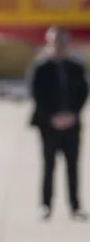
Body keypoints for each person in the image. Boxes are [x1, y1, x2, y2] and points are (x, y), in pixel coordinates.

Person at [28, 25, 88, 221]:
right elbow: (37, 96)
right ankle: (45, 205)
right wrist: (52, 117)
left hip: (71, 124)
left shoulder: (76, 68)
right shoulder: (40, 68)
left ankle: (75, 206)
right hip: (49, 125)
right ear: (49, 43)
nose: (60, 46)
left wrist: (72, 115)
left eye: (63, 42)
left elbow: (83, 94)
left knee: (73, 167)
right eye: (56, 42)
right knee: (49, 166)